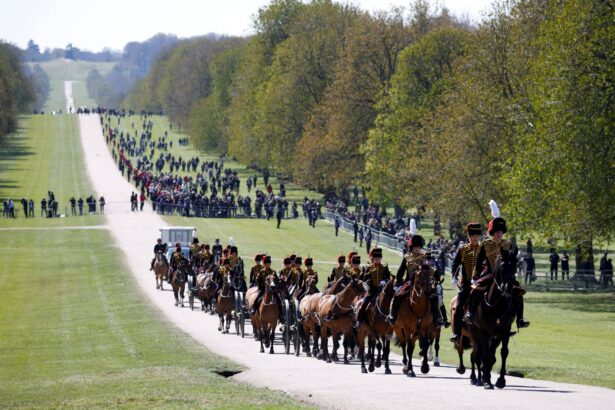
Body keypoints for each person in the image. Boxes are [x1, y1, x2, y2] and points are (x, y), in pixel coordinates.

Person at [465, 214, 530, 330]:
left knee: (518, 291)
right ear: (492, 233)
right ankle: (471, 313)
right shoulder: (485, 244)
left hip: (505, 275)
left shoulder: (508, 244)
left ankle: (520, 319)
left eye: (501, 232)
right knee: (476, 288)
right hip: (490, 273)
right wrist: (475, 277)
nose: (499, 234)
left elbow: (512, 259)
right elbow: (479, 263)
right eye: (497, 232)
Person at [387, 233, 444, 328]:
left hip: (423, 282)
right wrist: (397, 282)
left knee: (434, 297)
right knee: (397, 296)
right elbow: (401, 270)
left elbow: (431, 269)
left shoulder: (425, 257)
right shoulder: (406, 257)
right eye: (414, 247)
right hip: (409, 282)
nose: (416, 249)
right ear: (411, 247)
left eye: (418, 247)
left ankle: (437, 318)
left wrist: (436, 279)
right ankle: (393, 316)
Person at [449, 223, 482, 343]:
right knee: (458, 308)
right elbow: (455, 264)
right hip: (467, 283)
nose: (474, 237)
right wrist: (454, 277)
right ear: (468, 236)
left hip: (481, 283)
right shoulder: (462, 249)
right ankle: (457, 334)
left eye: (477, 235)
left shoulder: (482, 249)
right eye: (472, 235)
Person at [354, 248, 390, 328]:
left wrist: (384, 281)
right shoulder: (368, 268)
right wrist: (365, 284)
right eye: (376, 258)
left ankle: (391, 321)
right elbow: (364, 279)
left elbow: (388, 278)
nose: (377, 259)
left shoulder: (384, 267)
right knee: (363, 304)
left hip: (381, 291)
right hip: (371, 291)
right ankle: (359, 321)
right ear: (373, 258)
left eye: (379, 258)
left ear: (381, 258)